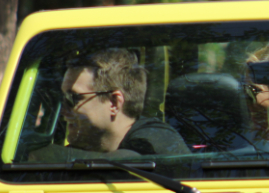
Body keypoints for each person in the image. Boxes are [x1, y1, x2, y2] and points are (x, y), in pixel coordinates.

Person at [31, 48, 189, 159]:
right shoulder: (88, 147)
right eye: (62, 98)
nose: (63, 110)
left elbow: (128, 164)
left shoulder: (156, 142)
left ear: (114, 102)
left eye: (73, 98)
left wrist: (41, 154)